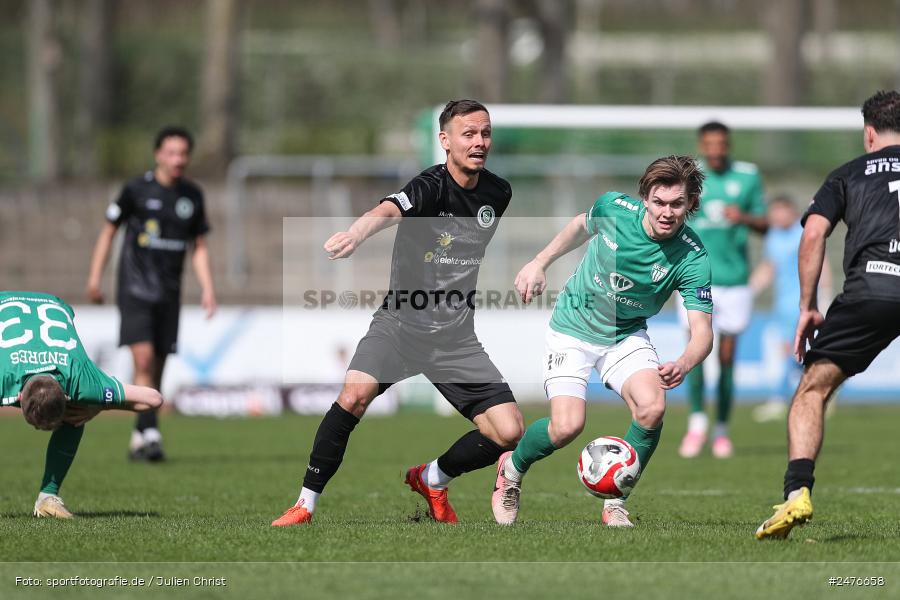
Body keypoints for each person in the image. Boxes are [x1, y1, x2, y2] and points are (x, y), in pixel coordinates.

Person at [272, 99, 524, 526]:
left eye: (485, 133)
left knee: (508, 431)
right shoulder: (429, 186)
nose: (479, 142)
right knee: (352, 397)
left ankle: (433, 477)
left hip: (455, 338)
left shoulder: (498, 193)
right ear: (444, 141)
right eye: (469, 134)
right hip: (401, 326)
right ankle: (304, 504)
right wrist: (356, 232)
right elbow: (388, 209)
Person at [492, 155, 714, 527]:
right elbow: (581, 225)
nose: (667, 212)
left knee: (652, 407)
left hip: (624, 334)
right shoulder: (613, 208)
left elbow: (703, 331)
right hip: (572, 328)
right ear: (645, 197)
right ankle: (511, 471)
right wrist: (539, 262)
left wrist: (685, 362)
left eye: (677, 204)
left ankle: (615, 500)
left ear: (691, 204)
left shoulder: (693, 258)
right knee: (566, 427)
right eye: (659, 202)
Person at [756, 90, 900, 540]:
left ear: (869, 133)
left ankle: (798, 491)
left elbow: (813, 234)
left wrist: (807, 307)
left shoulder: (848, 173)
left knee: (812, 390)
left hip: (872, 290)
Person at [86, 126, 217, 462]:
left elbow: (198, 246)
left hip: (169, 293)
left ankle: (140, 435)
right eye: (171, 153)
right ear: (158, 154)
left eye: (183, 154)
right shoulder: (135, 190)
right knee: (142, 359)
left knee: (158, 364)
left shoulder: (192, 196)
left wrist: (208, 288)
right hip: (135, 289)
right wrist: (94, 278)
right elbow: (108, 232)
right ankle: (152, 433)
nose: (178, 160)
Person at [0, 291, 164, 518]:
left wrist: (95, 405)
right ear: (17, 397)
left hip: (53, 306)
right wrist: (97, 403)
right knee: (81, 406)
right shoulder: (79, 381)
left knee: (78, 411)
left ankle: (47, 497)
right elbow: (154, 398)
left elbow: (154, 399)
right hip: (15, 303)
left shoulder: (81, 381)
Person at [678, 121, 767, 459]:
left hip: (734, 281)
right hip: (693, 278)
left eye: (721, 144)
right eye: (709, 144)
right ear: (702, 145)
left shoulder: (747, 176)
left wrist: (742, 216)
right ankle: (697, 424)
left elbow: (765, 223)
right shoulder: (688, 175)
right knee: (695, 353)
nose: (715, 150)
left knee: (727, 357)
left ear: (728, 145)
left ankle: (722, 430)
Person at [749, 195, 832, 422]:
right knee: (793, 354)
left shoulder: (804, 232)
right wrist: (749, 291)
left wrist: (824, 295)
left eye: (779, 212)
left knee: (793, 352)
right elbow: (769, 268)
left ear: (790, 211)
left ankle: (780, 398)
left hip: (804, 304)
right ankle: (819, 391)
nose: (776, 217)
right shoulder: (773, 237)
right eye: (773, 212)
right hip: (782, 306)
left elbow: (821, 263)